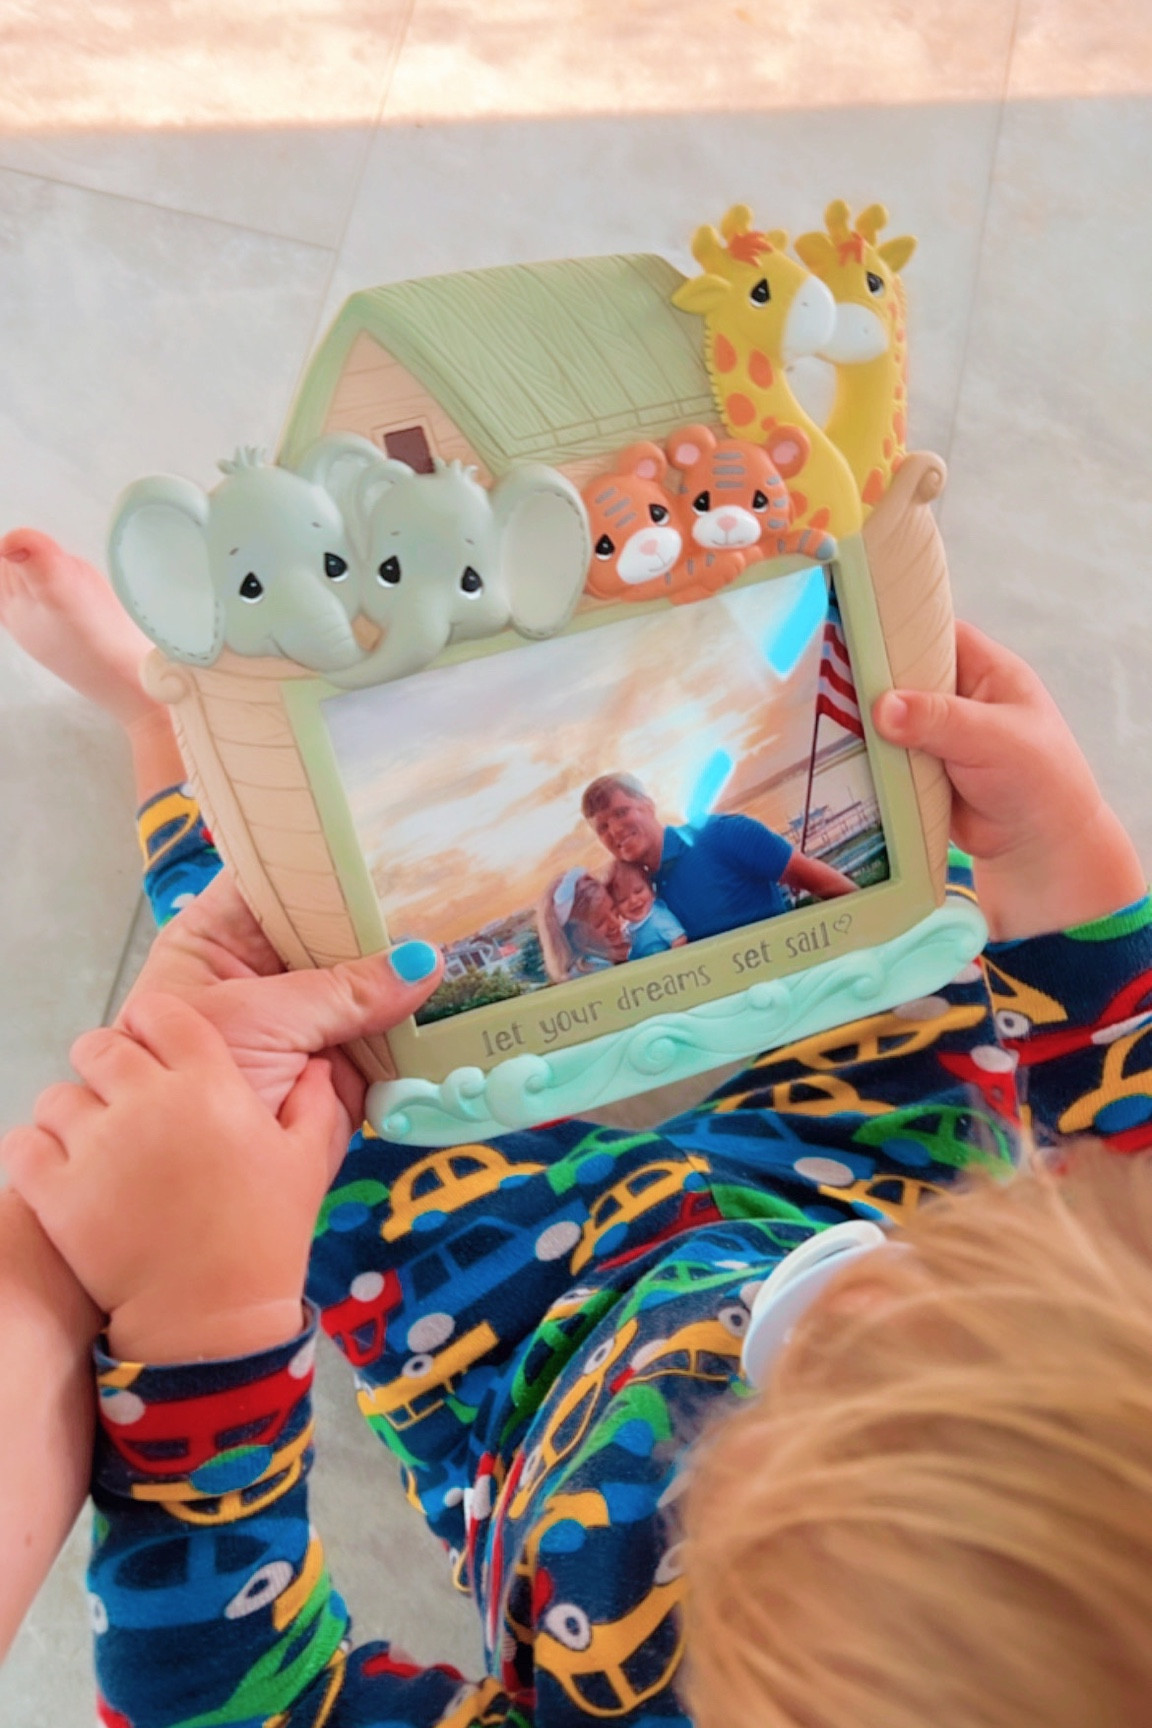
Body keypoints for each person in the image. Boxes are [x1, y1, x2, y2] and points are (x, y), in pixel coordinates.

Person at [5, 526, 1152, 1725]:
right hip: (855, 1179)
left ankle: (160, 733)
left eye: (744, 1478)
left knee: (259, 1063)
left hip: (522, 1349)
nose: (842, 1302)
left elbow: (231, 1699)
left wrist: (206, 1326)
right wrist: (1073, 877)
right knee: (973, 990)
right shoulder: (711, 849)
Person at [581, 772, 856, 943]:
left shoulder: (722, 834)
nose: (615, 830)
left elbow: (829, 886)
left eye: (621, 812)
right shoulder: (635, 896)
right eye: (602, 827)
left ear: (649, 806)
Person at [536, 866, 630, 982]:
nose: (615, 923)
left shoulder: (613, 951)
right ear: (577, 938)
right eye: (600, 923)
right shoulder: (590, 971)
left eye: (613, 909)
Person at [606, 858, 688, 958]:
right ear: (616, 909)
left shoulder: (658, 919)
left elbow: (680, 939)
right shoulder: (628, 928)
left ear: (651, 889)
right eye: (623, 900)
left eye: (638, 891)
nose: (633, 901)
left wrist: (672, 962)